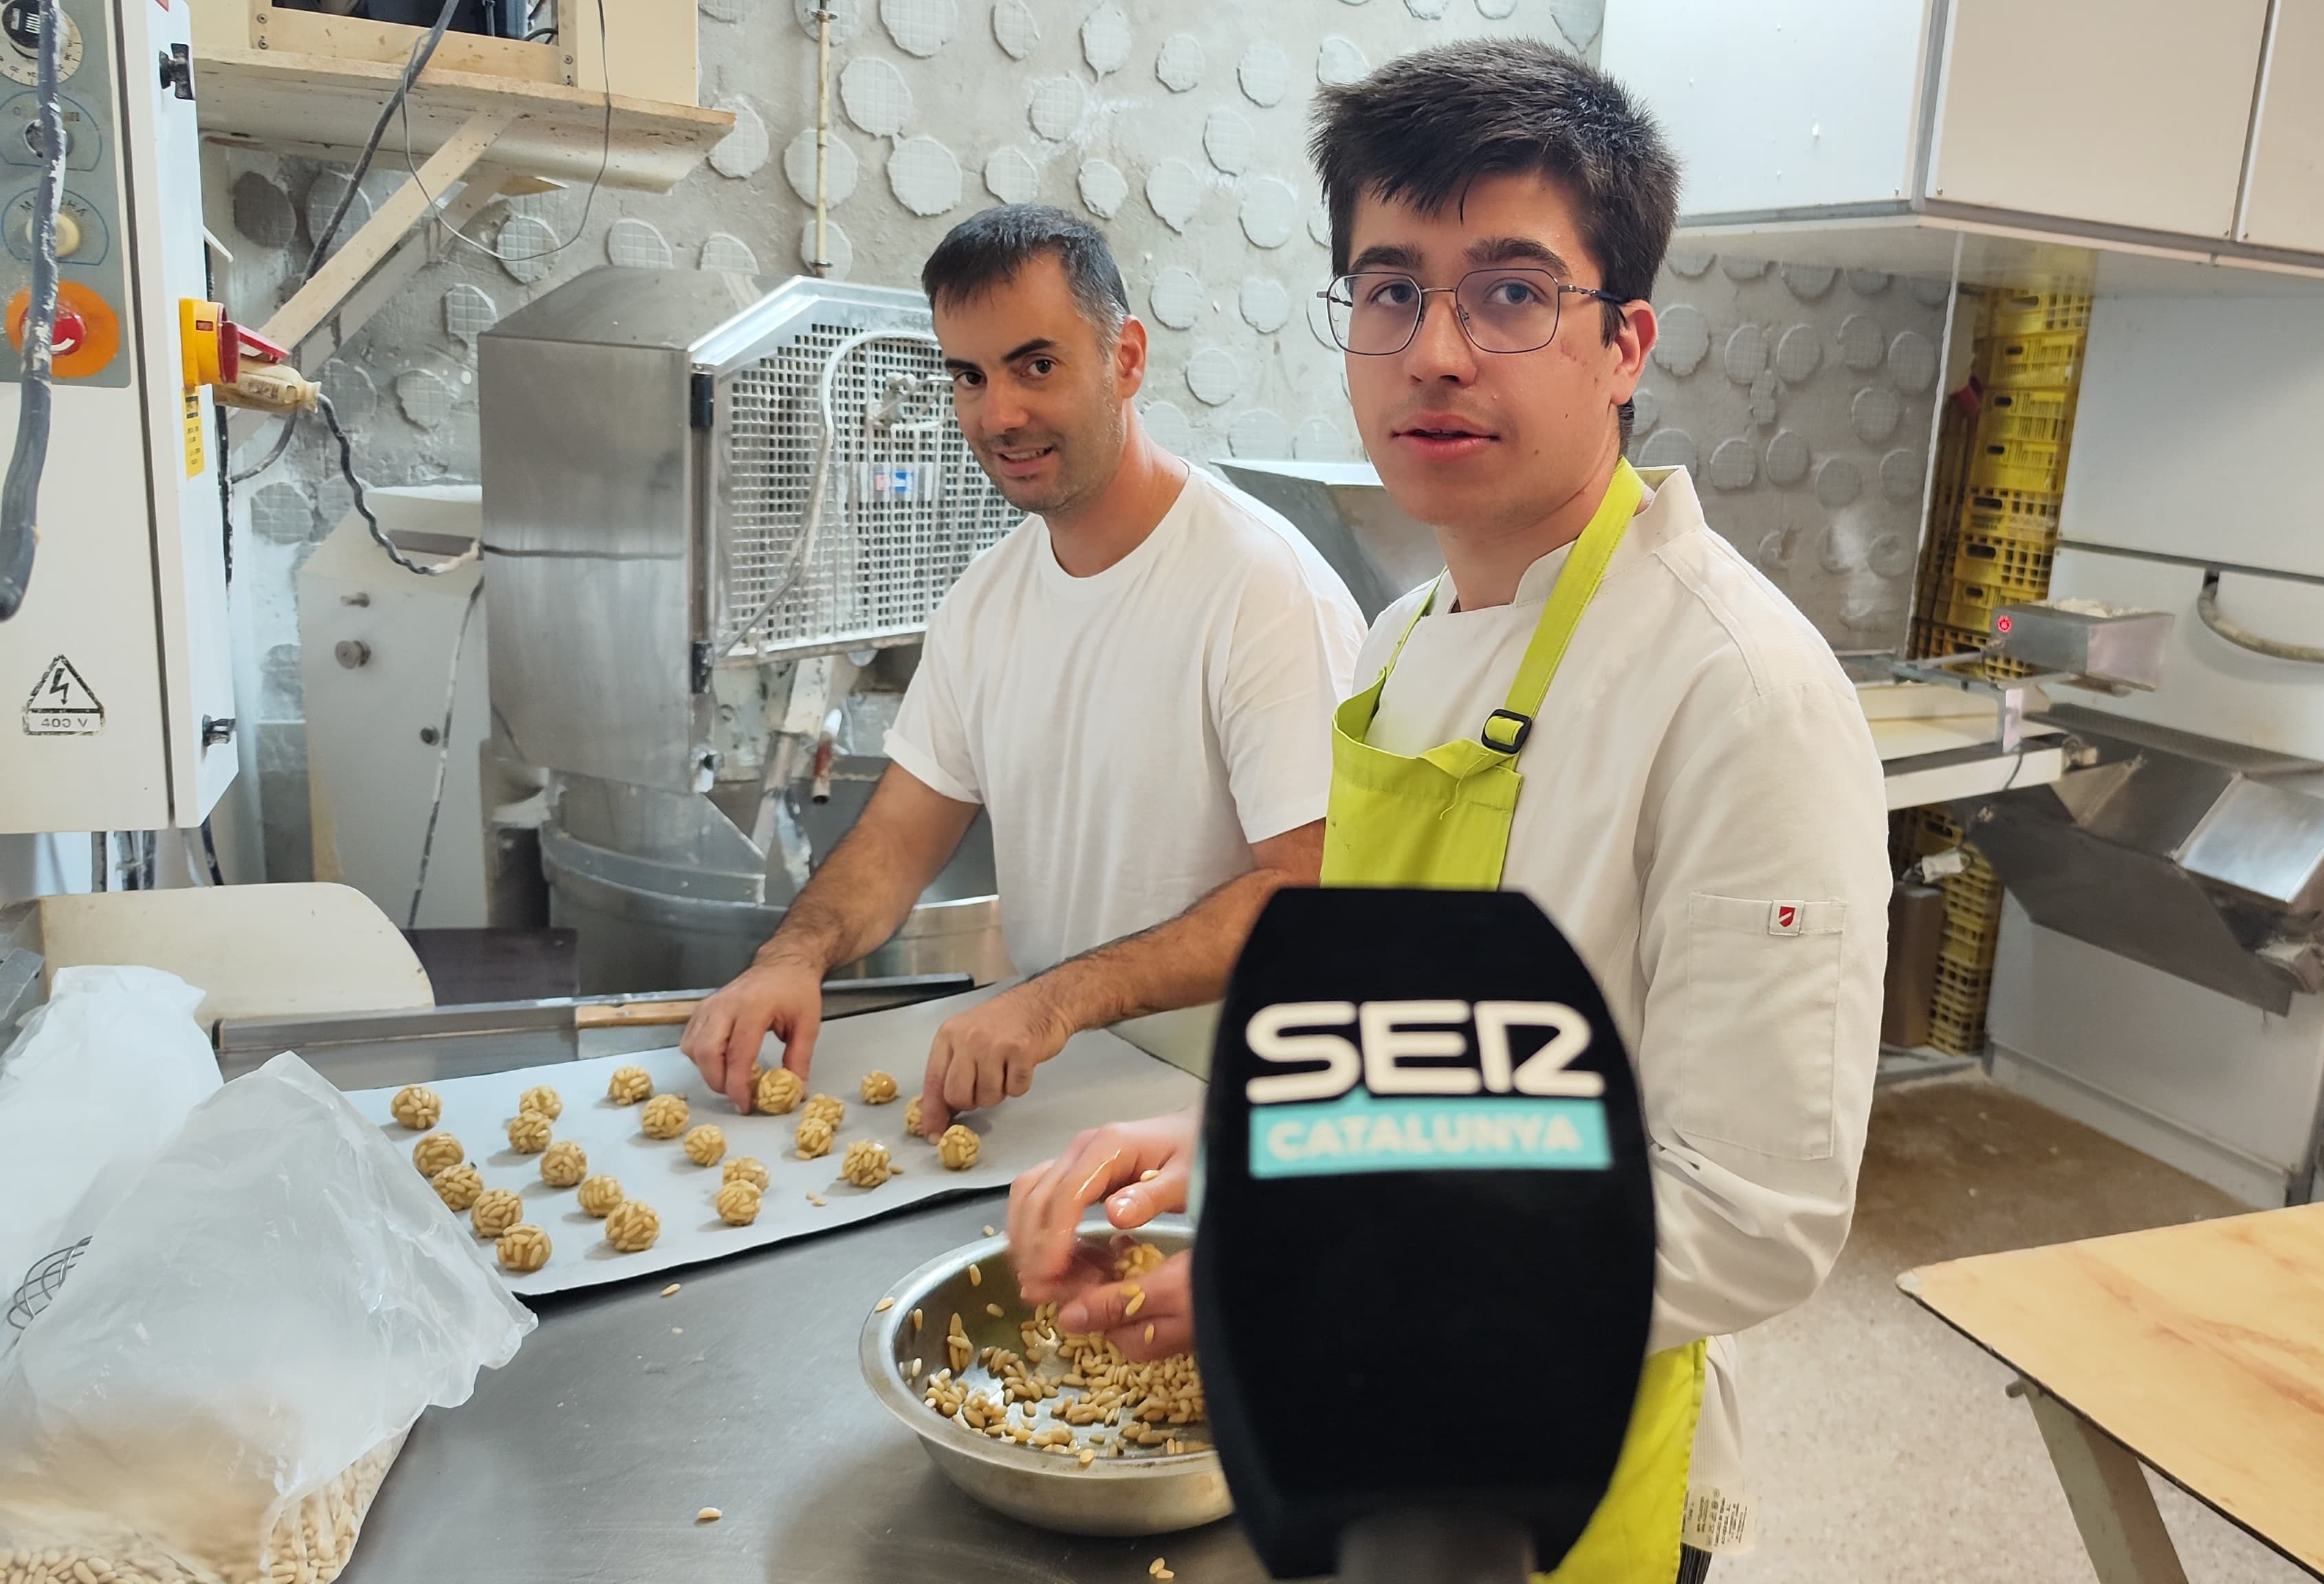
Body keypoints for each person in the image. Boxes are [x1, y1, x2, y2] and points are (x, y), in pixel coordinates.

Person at [1004, 41, 1891, 1583]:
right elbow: (1419, 1069)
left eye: (1508, 292)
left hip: (1576, 1483)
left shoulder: (1736, 690)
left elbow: (1754, 1218)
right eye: (1389, 290)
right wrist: (1234, 1157)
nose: (1432, 352)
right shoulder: (1406, 643)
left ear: (1624, 342)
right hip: (1373, 1449)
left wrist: (1305, 1281)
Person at [681, 205, 1366, 1132]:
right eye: (969, 377)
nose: (1000, 415)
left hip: (1219, 1118)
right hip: (1047, 1100)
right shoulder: (986, 599)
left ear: (1125, 358)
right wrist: (791, 958)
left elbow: (1314, 892)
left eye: (1036, 366)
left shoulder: (1261, 588)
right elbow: (897, 839)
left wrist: (1054, 1000)